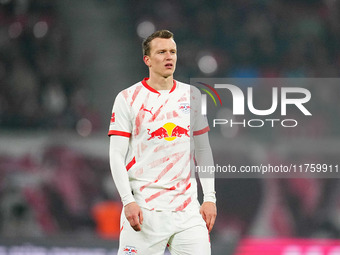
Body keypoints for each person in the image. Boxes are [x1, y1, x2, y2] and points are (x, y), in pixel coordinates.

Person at [108, 29, 216, 255]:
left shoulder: (193, 96)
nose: (169, 57)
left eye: (173, 52)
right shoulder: (128, 98)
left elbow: (203, 150)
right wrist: (128, 201)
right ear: (147, 59)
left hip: (187, 210)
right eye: (162, 52)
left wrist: (209, 198)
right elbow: (116, 155)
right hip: (145, 209)